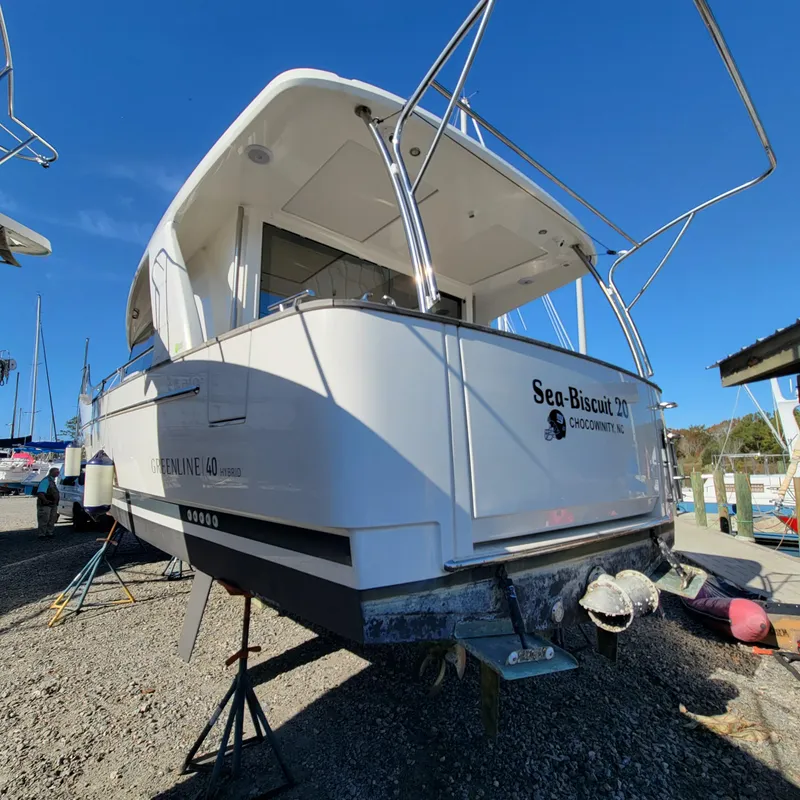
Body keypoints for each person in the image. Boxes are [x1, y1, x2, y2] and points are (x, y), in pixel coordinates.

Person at [36, 467, 60, 538]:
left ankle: (49, 533)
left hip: (53, 504)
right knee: (44, 519)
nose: (58, 473)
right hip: (45, 504)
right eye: (56, 472)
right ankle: (42, 534)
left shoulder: (52, 481)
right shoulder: (46, 481)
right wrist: (45, 500)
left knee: (52, 519)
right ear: (51, 472)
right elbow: (40, 492)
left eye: (58, 472)